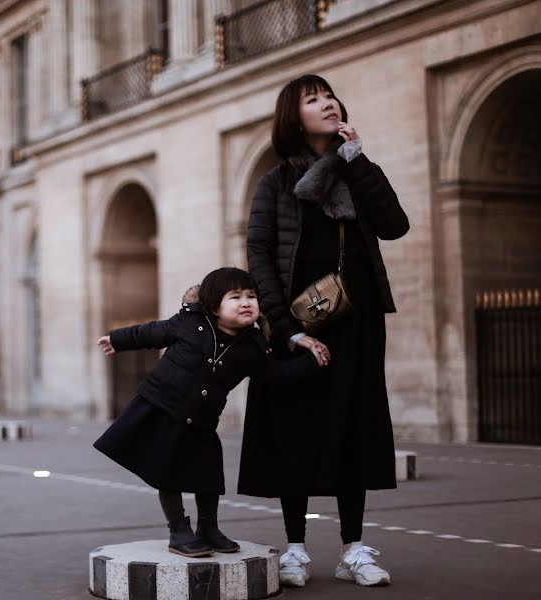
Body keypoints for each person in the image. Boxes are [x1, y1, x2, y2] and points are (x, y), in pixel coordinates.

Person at [240, 74, 409, 587]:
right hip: (298, 327)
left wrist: (357, 158)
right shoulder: (274, 182)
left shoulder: (356, 170)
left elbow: (395, 224)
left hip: (356, 323)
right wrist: (285, 328)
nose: (327, 103)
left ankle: (353, 549)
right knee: (296, 432)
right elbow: (261, 257)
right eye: (314, 99)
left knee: (352, 430)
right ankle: (294, 549)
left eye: (330, 95)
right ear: (295, 117)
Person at [94, 267, 325, 557]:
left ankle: (208, 528)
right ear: (214, 306)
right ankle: (179, 529)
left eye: (252, 296)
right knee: (167, 473)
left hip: (203, 420)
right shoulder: (190, 322)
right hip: (163, 407)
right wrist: (117, 339)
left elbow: (276, 376)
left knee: (208, 474)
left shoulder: (254, 345)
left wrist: (312, 362)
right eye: (236, 297)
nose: (246, 302)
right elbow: (153, 332)